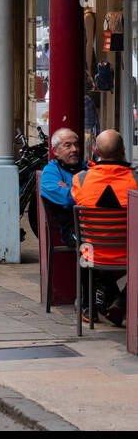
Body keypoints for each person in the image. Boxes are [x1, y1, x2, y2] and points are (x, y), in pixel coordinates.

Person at [69, 129, 133, 326]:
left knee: (82, 242)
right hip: (127, 254)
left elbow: (76, 199)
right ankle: (122, 301)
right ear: (123, 150)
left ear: (96, 151)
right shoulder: (135, 181)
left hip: (91, 255)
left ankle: (89, 307)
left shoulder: (80, 179)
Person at [40, 128, 85, 244]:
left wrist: (69, 188)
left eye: (76, 145)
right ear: (55, 151)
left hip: (96, 224)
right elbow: (66, 199)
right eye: (68, 146)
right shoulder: (50, 173)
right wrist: (85, 191)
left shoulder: (88, 167)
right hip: (74, 232)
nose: (74, 149)